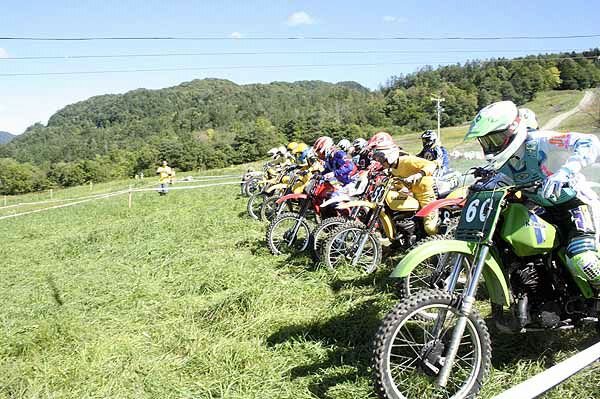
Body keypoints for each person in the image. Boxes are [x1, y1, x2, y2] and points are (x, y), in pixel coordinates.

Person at [466, 100, 600, 289]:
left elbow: (589, 142)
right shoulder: (505, 163)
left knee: (585, 261)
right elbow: (503, 180)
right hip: (544, 211)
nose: (491, 146)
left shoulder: (540, 141)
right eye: (486, 141)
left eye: (494, 139)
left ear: (512, 128)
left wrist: (565, 172)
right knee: (527, 251)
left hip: (577, 206)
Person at [369, 132, 439, 235]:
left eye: (381, 158)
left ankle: (442, 243)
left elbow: (431, 164)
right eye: (378, 159)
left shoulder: (406, 161)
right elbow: (399, 182)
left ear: (389, 154)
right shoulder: (393, 169)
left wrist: (419, 175)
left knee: (430, 228)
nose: (380, 161)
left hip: (426, 194)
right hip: (414, 194)